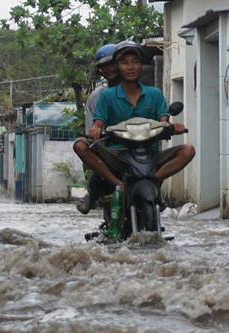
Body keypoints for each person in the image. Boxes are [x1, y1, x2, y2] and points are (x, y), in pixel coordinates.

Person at [73, 40, 195, 212]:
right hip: (116, 154)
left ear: (141, 66)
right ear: (118, 66)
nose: (129, 67)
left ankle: (152, 182)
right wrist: (96, 129)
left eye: (135, 62)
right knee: (83, 149)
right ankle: (113, 187)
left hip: (147, 153)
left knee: (188, 150)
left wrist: (171, 127)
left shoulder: (154, 94)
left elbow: (163, 121)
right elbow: (96, 123)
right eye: (124, 63)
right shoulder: (103, 96)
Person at [76, 43, 120, 214]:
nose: (109, 69)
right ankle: (93, 193)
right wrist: (96, 131)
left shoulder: (143, 91)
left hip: (137, 145)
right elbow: (92, 128)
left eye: (113, 64)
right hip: (109, 147)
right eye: (104, 67)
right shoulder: (97, 97)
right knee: (88, 149)